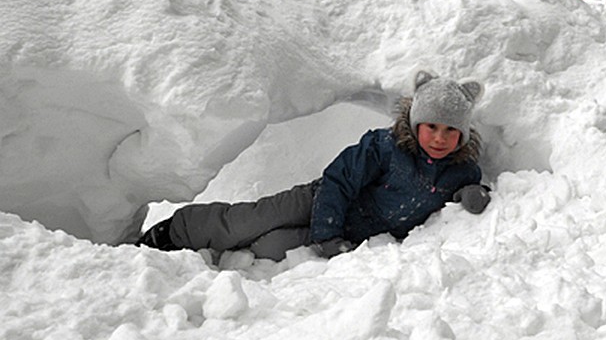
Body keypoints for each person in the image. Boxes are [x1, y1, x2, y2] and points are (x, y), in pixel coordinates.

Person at [137, 71, 490, 260]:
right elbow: (338, 182)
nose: (440, 138)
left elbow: (466, 188)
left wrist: (473, 193)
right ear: (415, 123)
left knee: (269, 249)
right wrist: (327, 233)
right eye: (432, 127)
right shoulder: (384, 146)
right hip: (318, 200)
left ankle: (218, 260)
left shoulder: (460, 169)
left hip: (352, 232)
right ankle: (174, 232)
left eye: (450, 131)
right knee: (249, 220)